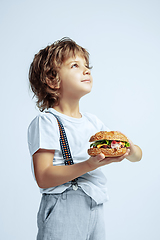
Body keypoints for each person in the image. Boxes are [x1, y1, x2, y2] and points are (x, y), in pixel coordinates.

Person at [27, 37, 142, 240]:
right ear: (53, 79)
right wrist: (89, 164)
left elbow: (137, 156)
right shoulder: (47, 122)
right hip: (64, 205)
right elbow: (43, 177)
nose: (86, 70)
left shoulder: (93, 122)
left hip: (95, 206)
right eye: (75, 65)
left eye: (87, 66)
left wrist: (130, 150)